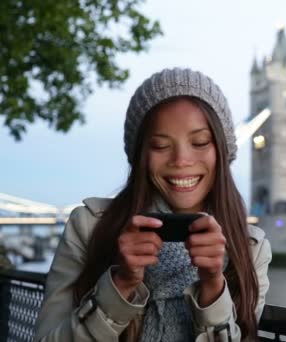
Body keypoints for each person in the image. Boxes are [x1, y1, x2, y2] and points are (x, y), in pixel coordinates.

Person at [34, 68, 272, 342]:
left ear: (222, 151)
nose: (181, 160)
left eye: (200, 142)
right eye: (160, 146)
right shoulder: (89, 228)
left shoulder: (250, 249)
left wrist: (213, 287)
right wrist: (120, 285)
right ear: (140, 156)